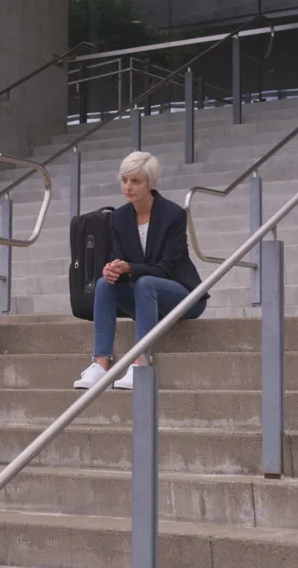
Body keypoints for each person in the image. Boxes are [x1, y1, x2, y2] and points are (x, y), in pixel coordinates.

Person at [73, 151, 209, 391]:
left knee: (146, 282)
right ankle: (101, 364)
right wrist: (113, 268)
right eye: (124, 180)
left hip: (183, 297)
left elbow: (166, 268)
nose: (128, 187)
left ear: (151, 183)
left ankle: (140, 363)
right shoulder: (119, 217)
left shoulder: (173, 215)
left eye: (136, 181)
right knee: (105, 284)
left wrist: (130, 268)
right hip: (145, 296)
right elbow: (121, 258)